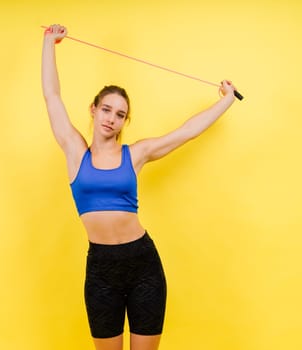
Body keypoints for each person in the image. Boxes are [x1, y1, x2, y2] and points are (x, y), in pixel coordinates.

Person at [41, 24, 237, 350]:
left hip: (143, 264)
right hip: (101, 269)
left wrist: (226, 101)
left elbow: (186, 132)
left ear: (124, 121)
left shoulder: (136, 155)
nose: (111, 118)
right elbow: (52, 96)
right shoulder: (76, 152)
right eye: (106, 109)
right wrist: (49, 43)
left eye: (120, 114)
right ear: (93, 109)